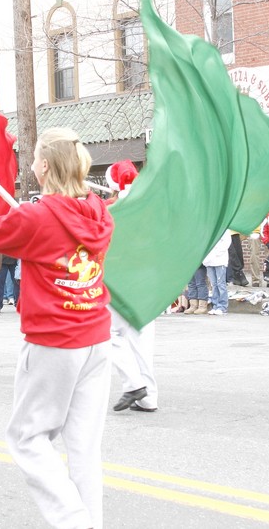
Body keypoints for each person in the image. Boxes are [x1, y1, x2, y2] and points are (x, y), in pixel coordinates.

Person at [0, 127, 114, 529]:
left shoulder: (36, 217)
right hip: (95, 336)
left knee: (26, 437)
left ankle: (74, 521)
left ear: (42, 166)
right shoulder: (98, 210)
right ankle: (88, 521)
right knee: (83, 449)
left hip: (55, 341)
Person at [102, 162, 158, 413]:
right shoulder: (150, 208)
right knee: (143, 339)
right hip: (147, 279)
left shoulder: (109, 209)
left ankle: (134, 384)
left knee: (108, 333)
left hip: (120, 279)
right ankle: (149, 397)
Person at [204, 231, 232, 315]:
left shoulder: (225, 230)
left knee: (221, 284)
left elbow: (226, 243)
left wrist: (215, 254)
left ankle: (222, 306)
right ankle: (215, 305)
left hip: (220, 260)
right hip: (209, 261)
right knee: (214, 284)